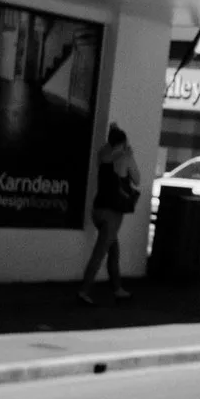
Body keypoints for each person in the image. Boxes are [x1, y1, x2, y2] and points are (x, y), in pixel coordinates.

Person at [78, 123, 141, 305]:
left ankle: (118, 288)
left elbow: (110, 146)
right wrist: (130, 155)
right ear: (122, 142)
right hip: (112, 213)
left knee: (114, 250)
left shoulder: (102, 155)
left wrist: (114, 132)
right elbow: (137, 179)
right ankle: (84, 290)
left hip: (97, 210)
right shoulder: (124, 158)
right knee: (100, 253)